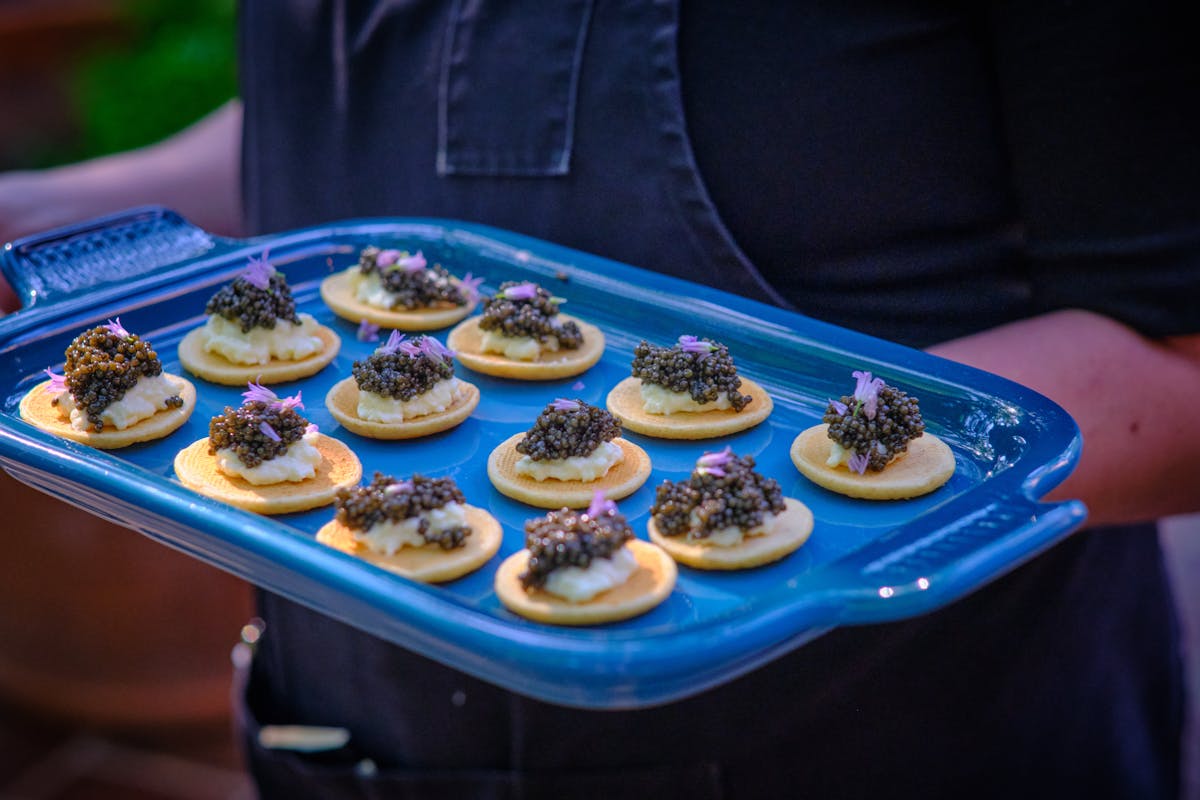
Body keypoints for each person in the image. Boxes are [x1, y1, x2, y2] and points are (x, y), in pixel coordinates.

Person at [2, 2, 1197, 797]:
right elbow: (352, 125)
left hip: (890, 743)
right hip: (355, 735)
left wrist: (761, 493)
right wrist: (43, 216)